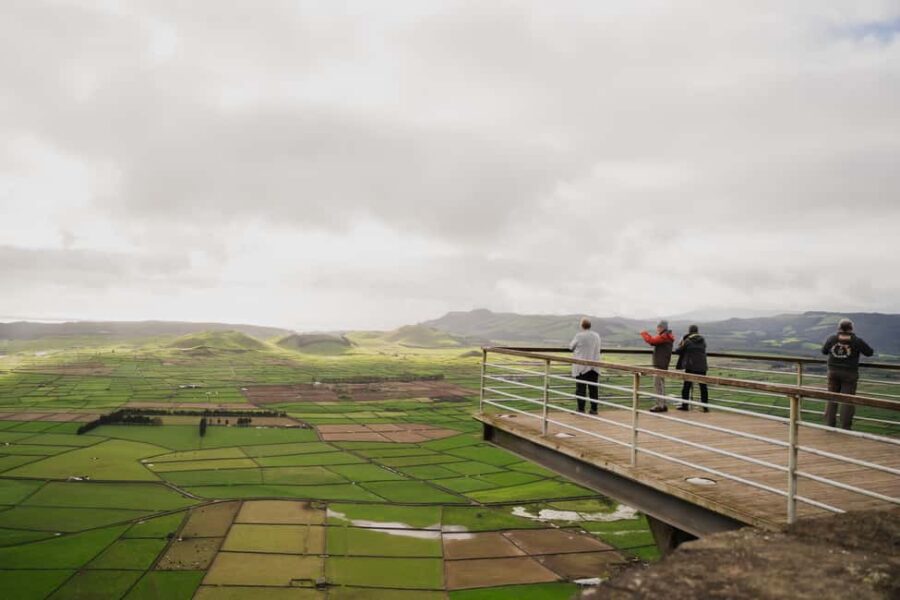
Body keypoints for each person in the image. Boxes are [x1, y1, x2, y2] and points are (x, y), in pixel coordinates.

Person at [821, 319, 874, 430]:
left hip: (833, 372)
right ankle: (845, 427)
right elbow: (869, 353)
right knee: (847, 400)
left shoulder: (832, 338)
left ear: (839, 328)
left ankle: (829, 425)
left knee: (832, 398)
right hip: (849, 374)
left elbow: (824, 351)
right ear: (851, 328)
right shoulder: (857, 341)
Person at [640, 321, 675, 412]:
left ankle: (659, 405)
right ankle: (663, 404)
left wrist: (644, 334)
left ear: (662, 327)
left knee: (658, 385)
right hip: (663, 363)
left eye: (658, 327)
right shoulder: (667, 336)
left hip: (659, 364)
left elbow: (652, 341)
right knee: (661, 385)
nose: (657, 329)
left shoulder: (664, 336)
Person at [570, 317, 602, 414]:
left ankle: (581, 409)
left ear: (582, 326)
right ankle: (594, 409)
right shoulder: (597, 336)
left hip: (582, 367)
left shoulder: (579, 336)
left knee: (581, 389)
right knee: (593, 389)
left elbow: (571, 347)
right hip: (594, 366)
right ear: (590, 325)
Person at [674, 324, 708, 411]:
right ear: (697, 331)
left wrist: (681, 342)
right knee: (703, 387)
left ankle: (685, 406)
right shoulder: (703, 340)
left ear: (689, 331)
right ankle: (705, 407)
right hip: (702, 366)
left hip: (691, 366)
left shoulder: (688, 341)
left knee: (687, 386)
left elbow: (678, 351)